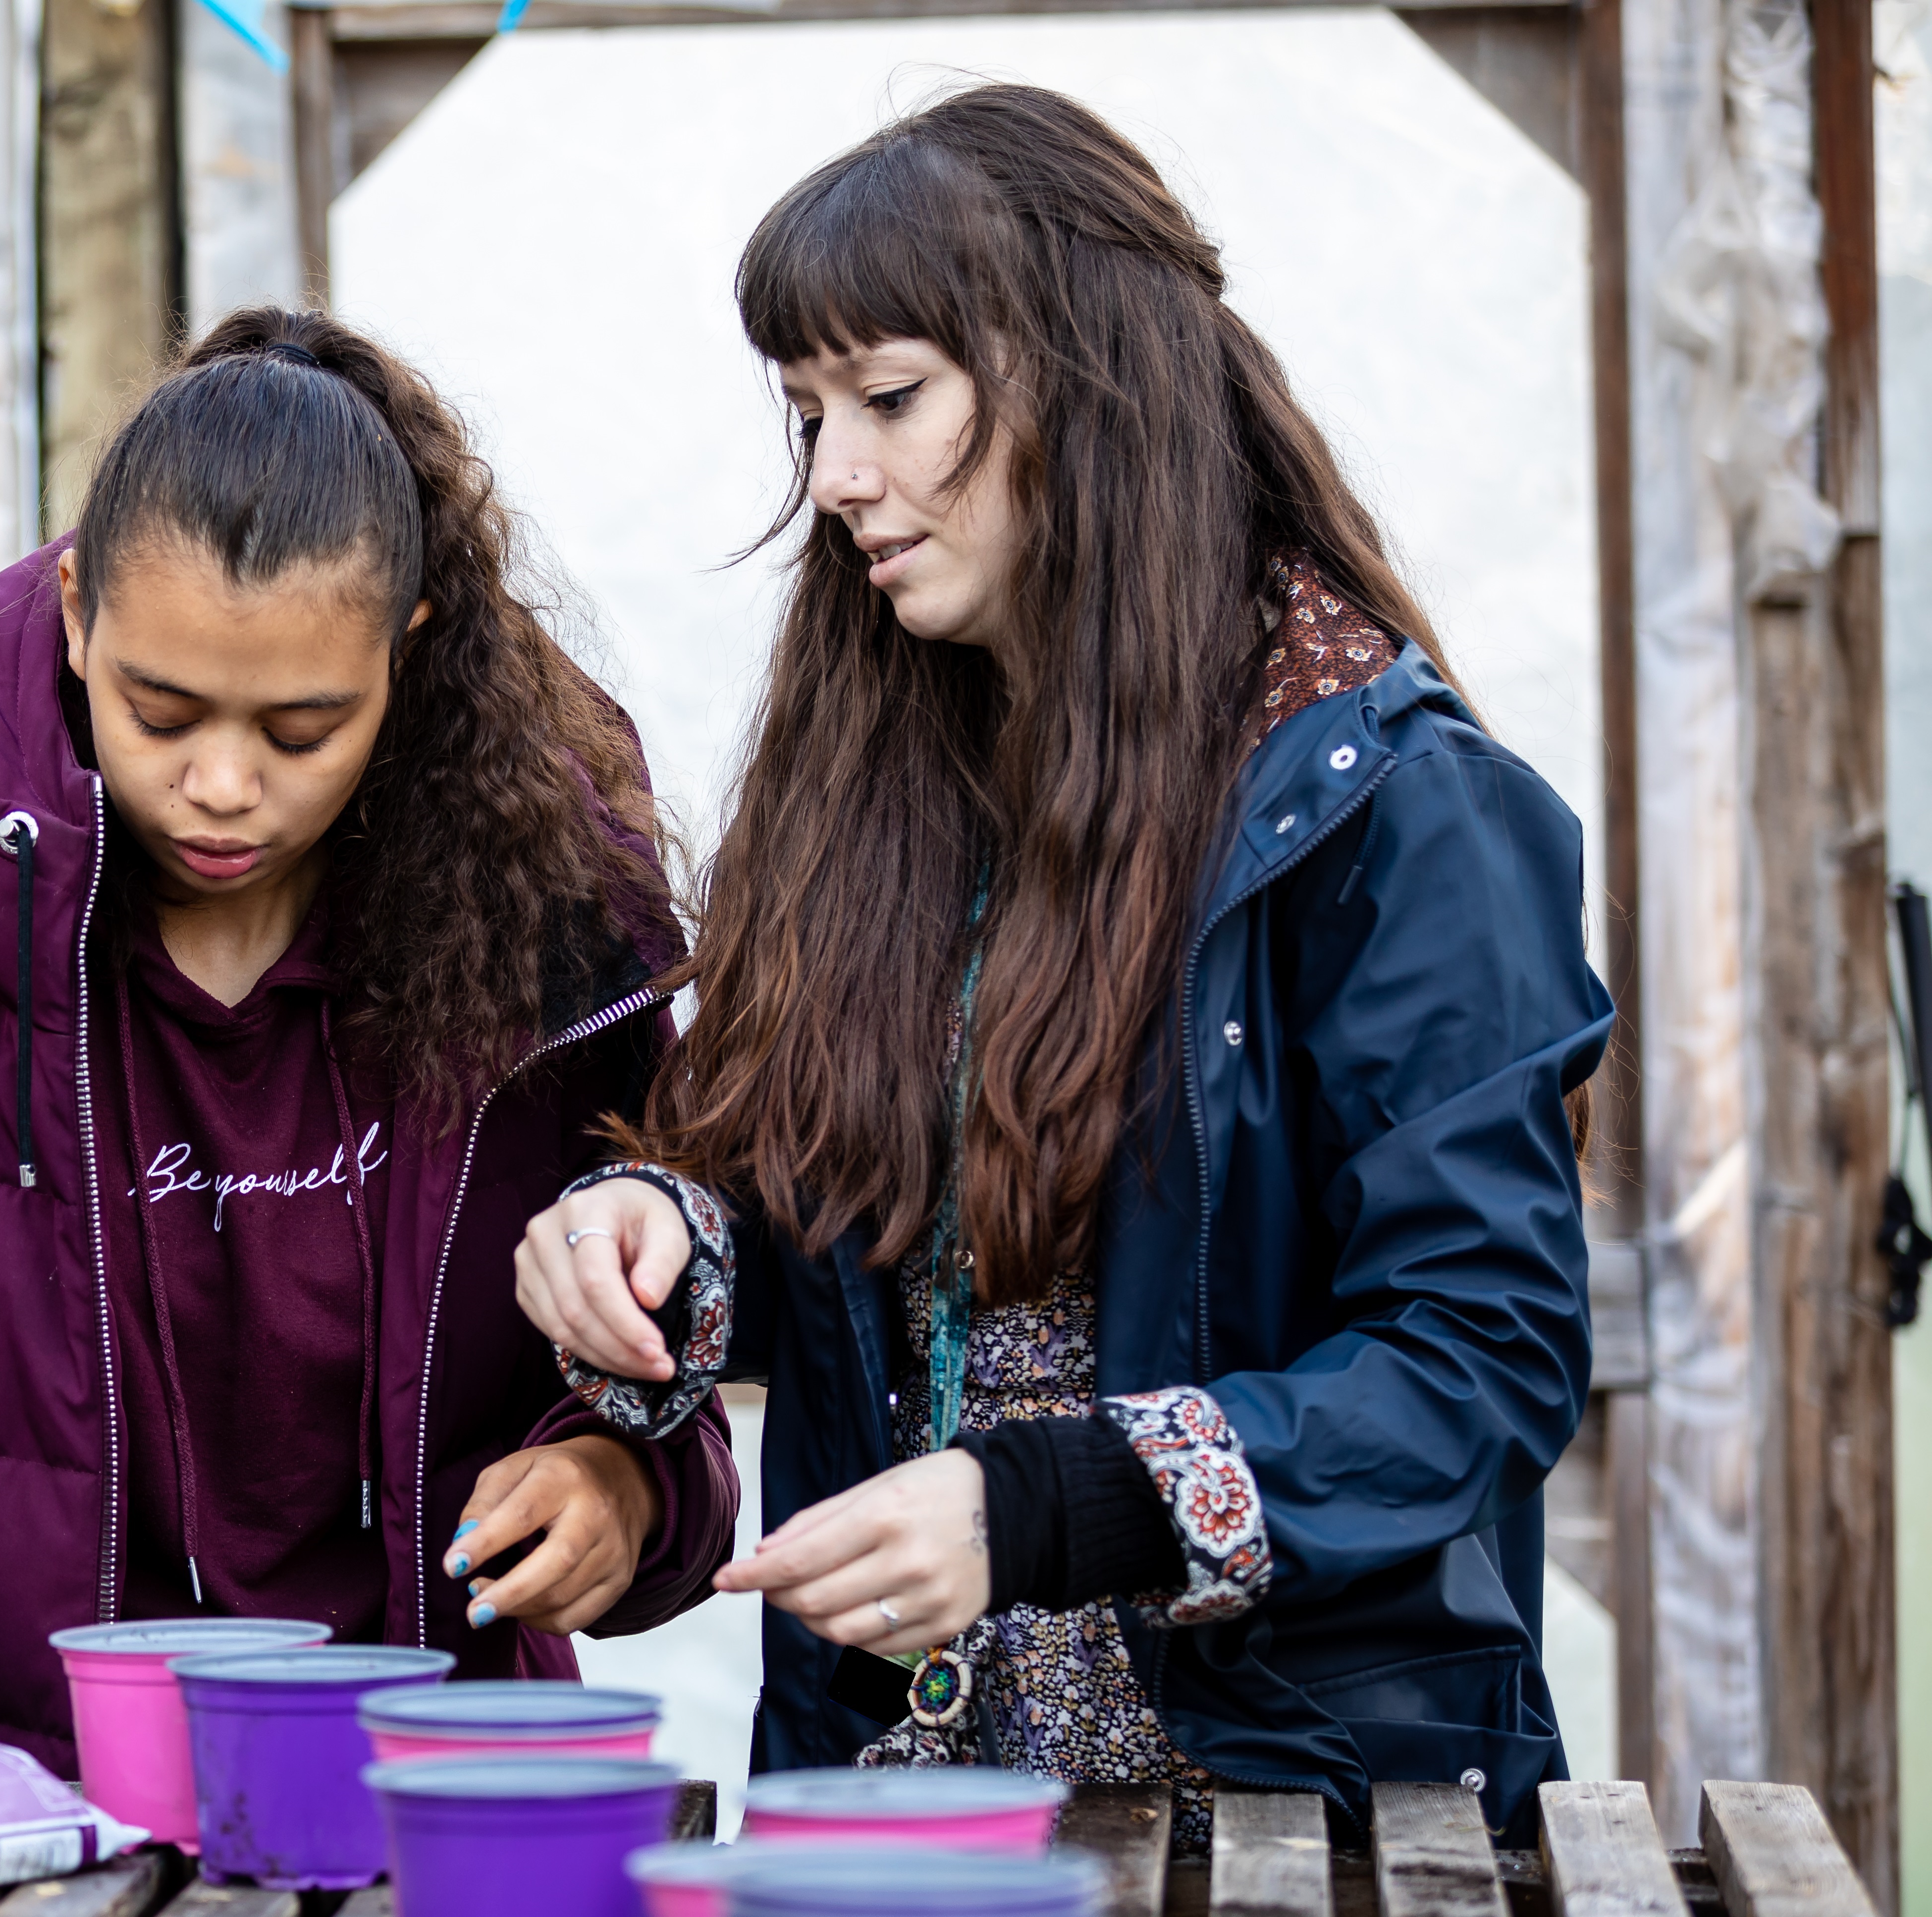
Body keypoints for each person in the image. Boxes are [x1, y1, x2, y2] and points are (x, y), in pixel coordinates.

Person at [508, 86, 1610, 1848]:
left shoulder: (1398, 812)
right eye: (807, 415)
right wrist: (670, 1248)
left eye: (887, 399)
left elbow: (1478, 1362)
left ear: (1088, 379)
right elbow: (872, 1272)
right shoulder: (872, 776)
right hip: (897, 1814)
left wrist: (1051, 1503)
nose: (836, 477)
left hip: (1285, 1822)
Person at [0, 307, 737, 1774]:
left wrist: (620, 1478)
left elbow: (659, 1365)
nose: (223, 786)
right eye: (158, 711)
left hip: (429, 1803)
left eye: (301, 730)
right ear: (71, 615)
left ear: (409, 655)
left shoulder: (542, 949)